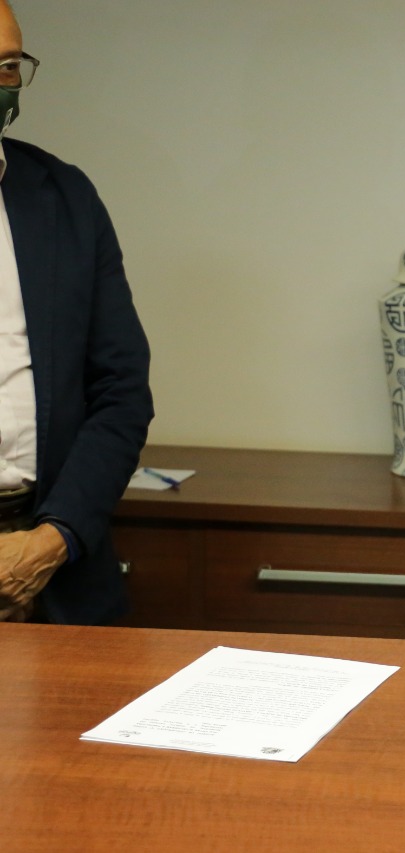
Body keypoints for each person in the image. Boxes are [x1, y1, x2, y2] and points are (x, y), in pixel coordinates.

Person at [0, 1, 153, 624]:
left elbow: (121, 391)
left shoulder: (64, 198)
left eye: (8, 66)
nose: (1, 84)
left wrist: (54, 538)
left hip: (52, 563)